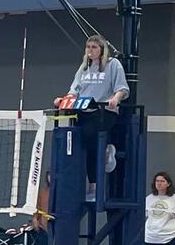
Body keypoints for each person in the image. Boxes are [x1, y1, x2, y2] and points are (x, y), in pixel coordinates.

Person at [54, 35, 129, 202]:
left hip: (104, 111)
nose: (90, 50)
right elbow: (74, 90)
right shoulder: (84, 68)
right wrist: (63, 99)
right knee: (80, 141)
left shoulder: (113, 65)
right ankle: (91, 184)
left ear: (102, 49)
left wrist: (115, 98)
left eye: (94, 47)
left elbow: (122, 88)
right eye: (88, 47)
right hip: (84, 110)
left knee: (90, 135)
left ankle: (104, 158)